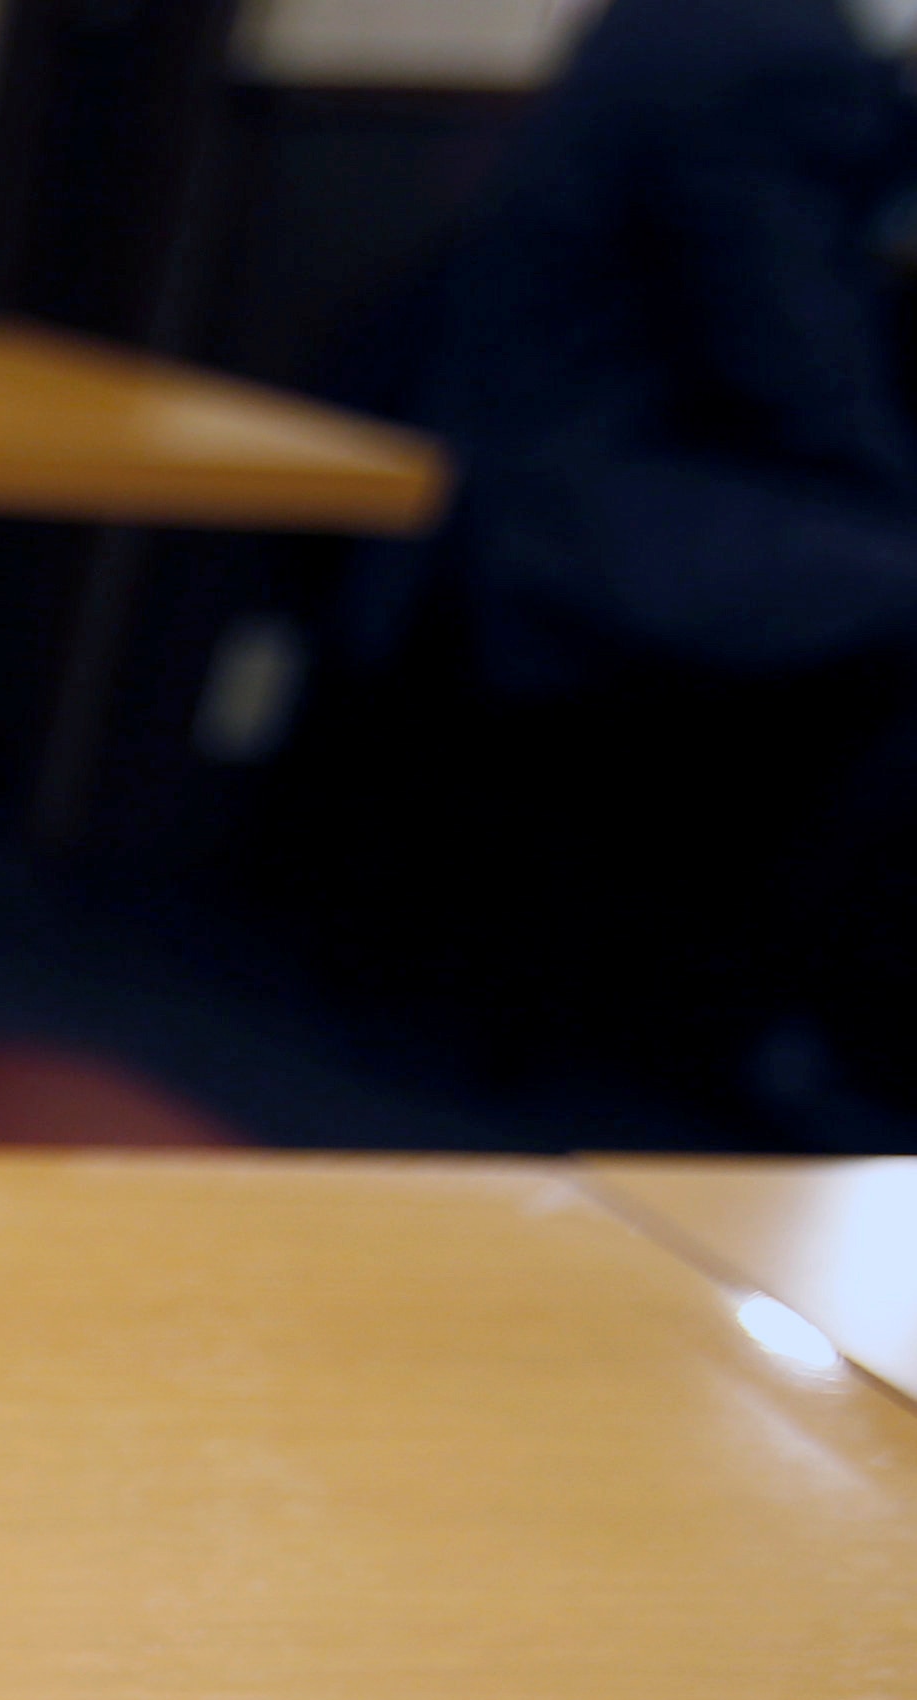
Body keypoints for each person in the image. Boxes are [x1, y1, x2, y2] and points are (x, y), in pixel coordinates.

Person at [354, 0, 917, 1129]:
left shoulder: (683, 21)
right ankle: (803, 1029)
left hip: (518, 468)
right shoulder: (776, 52)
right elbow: (787, 353)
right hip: (590, 499)